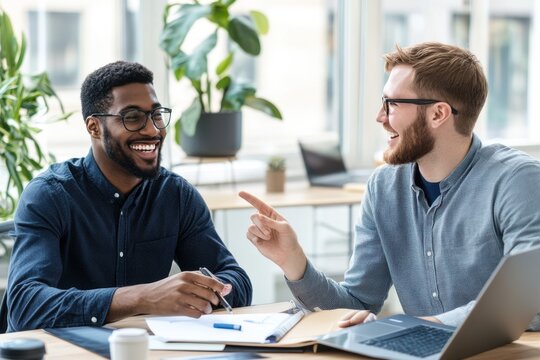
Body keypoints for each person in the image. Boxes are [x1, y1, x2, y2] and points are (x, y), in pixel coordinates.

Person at [240, 42, 540, 329]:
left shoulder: (517, 181)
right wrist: (294, 262)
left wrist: (423, 327)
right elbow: (357, 303)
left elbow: (529, 301)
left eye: (393, 104)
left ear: (438, 114)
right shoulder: (384, 187)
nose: (380, 117)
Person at [6, 61, 252, 331]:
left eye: (156, 115)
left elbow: (236, 280)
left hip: (146, 348)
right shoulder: (49, 195)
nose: (153, 130)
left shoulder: (176, 195)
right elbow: (25, 305)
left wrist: (203, 292)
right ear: (94, 128)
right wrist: (143, 298)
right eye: (132, 117)